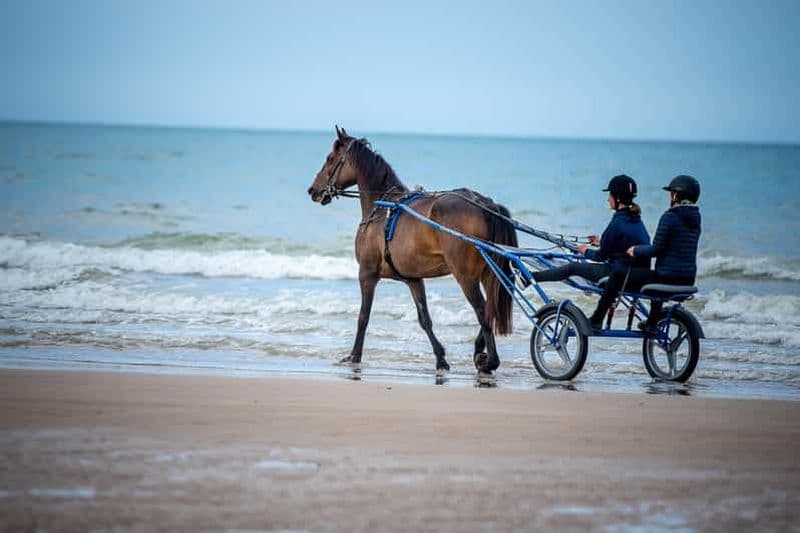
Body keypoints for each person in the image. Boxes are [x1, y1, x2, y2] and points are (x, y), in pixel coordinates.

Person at [532, 174, 651, 330]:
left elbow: (600, 256)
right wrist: (600, 242)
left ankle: (530, 278)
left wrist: (585, 250)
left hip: (617, 275)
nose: (608, 199)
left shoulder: (617, 221)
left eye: (610, 195)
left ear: (618, 198)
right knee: (578, 266)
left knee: (572, 267)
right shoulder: (637, 220)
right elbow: (624, 243)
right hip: (635, 276)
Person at [625, 175, 702, 332]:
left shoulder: (670, 217)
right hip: (687, 279)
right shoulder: (696, 218)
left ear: (675, 195)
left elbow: (656, 250)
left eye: (671, 193)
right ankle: (652, 322)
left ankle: (650, 322)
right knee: (657, 273)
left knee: (624, 275)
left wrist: (635, 250)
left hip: (666, 278)